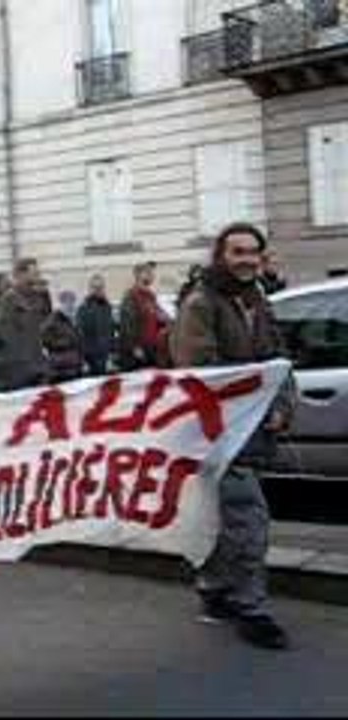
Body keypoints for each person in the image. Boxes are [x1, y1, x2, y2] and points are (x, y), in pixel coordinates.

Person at [170, 222, 295, 651]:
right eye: (237, 252)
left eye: (253, 253)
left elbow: (276, 358)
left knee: (226, 517)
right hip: (216, 433)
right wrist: (252, 408)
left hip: (247, 429)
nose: (246, 260)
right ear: (221, 256)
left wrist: (281, 405)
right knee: (249, 518)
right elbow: (202, 375)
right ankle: (251, 608)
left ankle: (216, 587)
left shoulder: (256, 300)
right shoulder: (201, 304)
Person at [0, 258, 53, 390]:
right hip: (21, 370)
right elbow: (7, 336)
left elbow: (46, 325)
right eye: (34, 273)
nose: (38, 276)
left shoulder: (39, 296)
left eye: (38, 273)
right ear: (21, 275)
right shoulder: (9, 300)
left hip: (40, 365)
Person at [118, 261, 169, 370]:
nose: (151, 275)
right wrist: (134, 347)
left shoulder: (151, 296)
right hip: (138, 352)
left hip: (152, 349)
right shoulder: (131, 296)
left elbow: (159, 317)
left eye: (152, 272)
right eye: (147, 272)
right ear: (137, 275)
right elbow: (127, 325)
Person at [41, 290, 84, 384]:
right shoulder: (51, 321)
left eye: (72, 301)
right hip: (60, 372)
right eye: (67, 301)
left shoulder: (73, 321)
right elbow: (45, 341)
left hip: (74, 369)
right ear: (61, 303)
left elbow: (79, 342)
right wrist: (65, 342)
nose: (70, 304)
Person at [76, 274, 115, 376]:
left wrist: (111, 353)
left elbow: (110, 332)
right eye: (95, 287)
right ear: (90, 289)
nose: (98, 290)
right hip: (91, 359)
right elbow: (80, 335)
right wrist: (83, 360)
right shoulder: (83, 308)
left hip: (106, 357)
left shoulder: (107, 307)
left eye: (101, 287)